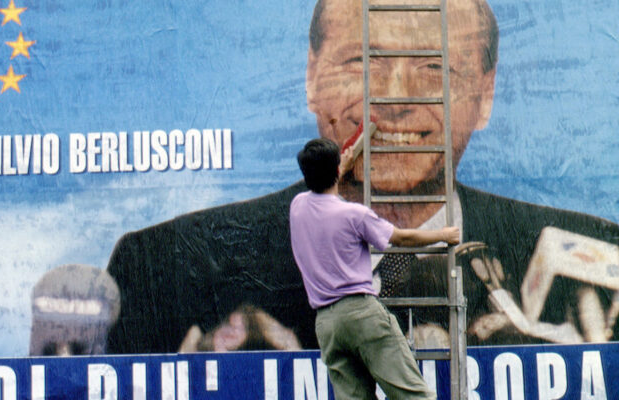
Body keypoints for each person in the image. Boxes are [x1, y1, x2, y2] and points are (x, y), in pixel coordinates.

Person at [106, 0, 619, 354]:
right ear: (311, 78)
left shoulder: (599, 275)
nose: (394, 101)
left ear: (485, 96)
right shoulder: (168, 272)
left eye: (434, 69)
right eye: (362, 62)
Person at [290, 138, 459, 399]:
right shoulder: (354, 215)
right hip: (361, 314)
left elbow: (322, 190)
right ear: (336, 171)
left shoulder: (298, 207)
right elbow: (401, 238)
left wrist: (337, 168)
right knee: (412, 394)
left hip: (327, 324)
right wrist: (444, 234)